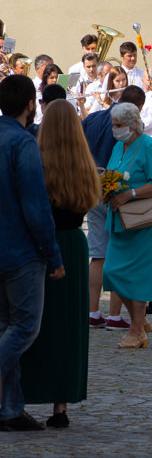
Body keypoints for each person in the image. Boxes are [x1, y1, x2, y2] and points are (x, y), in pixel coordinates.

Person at [20, 100, 100, 429]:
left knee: (33, 324)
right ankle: (61, 406)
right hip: (74, 245)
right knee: (69, 327)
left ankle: (21, 395)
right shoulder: (84, 164)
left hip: (41, 244)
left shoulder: (37, 160)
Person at [0, 75, 64, 432]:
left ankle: (9, 409)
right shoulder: (22, 144)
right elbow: (36, 208)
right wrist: (53, 257)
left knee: (5, 327)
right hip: (20, 251)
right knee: (24, 329)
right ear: (30, 105)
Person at [102, 103, 152, 349]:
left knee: (139, 278)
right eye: (114, 125)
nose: (115, 129)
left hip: (143, 222)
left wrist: (129, 193)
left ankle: (137, 329)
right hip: (118, 220)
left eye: (118, 125)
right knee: (112, 273)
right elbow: (111, 174)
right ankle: (138, 322)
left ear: (132, 124)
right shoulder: (119, 146)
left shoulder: (149, 146)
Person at [82, 86, 146, 330]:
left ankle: (92, 311)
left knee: (98, 253)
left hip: (92, 187)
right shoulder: (126, 123)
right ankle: (114, 315)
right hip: (115, 191)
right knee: (120, 252)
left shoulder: (95, 117)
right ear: (138, 107)